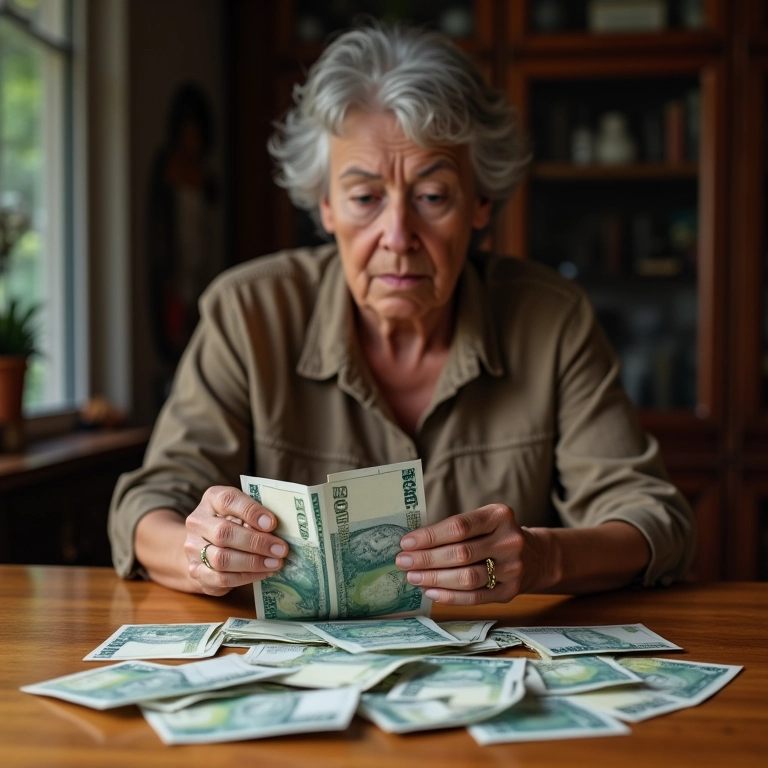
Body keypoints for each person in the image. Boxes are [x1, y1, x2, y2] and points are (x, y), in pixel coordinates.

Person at [109, 23, 694, 606]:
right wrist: (201, 551)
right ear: (327, 206)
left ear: (481, 201)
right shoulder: (248, 314)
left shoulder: (551, 320)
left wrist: (544, 558)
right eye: (365, 198)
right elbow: (149, 506)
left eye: (432, 196)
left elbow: (653, 521)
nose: (398, 236)